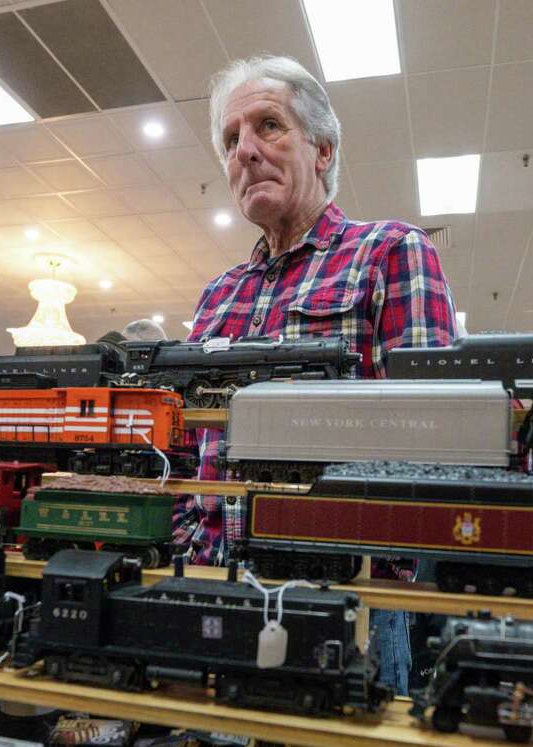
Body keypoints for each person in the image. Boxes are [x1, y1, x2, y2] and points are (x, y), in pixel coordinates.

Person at [173, 54, 458, 693]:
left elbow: (434, 442)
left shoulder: (391, 253)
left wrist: (376, 564)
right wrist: (189, 534)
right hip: (211, 578)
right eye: (229, 139)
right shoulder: (218, 295)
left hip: (342, 592)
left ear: (323, 149)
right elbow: (186, 444)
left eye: (267, 126)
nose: (243, 152)